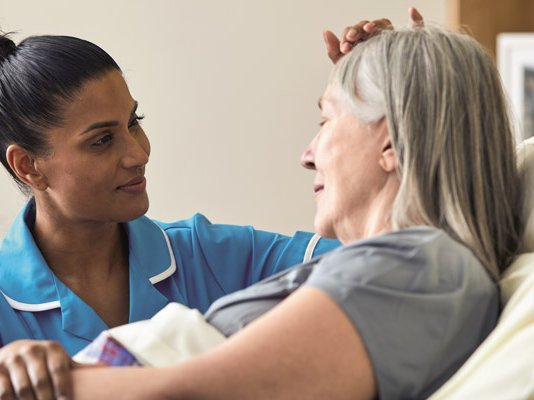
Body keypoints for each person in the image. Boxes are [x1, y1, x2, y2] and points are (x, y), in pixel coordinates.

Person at [68, 25, 521, 399]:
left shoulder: (420, 269)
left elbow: (187, 394)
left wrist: (51, 381)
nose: (308, 154)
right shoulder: (406, 270)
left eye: (326, 121)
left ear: (390, 141)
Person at [0, 30, 348, 399]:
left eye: (134, 122)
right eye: (102, 140)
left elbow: (383, 262)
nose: (138, 153)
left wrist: (371, 110)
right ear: (28, 166)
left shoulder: (208, 254)